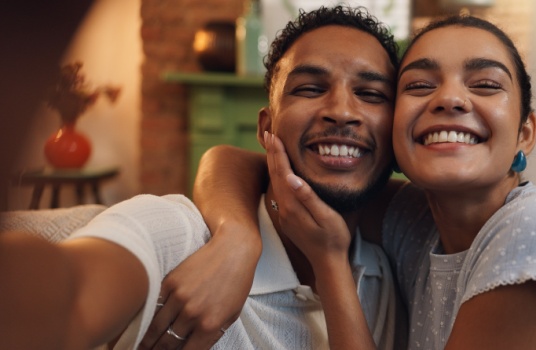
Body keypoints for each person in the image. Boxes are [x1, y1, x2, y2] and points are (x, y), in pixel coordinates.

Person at [186, 13, 536, 350]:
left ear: (525, 133)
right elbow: (243, 163)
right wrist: (236, 237)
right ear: (392, 130)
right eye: (420, 85)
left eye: (485, 84)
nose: (449, 99)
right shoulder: (416, 221)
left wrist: (331, 262)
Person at [0, 6, 403, 349]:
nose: (341, 111)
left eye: (370, 94)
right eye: (310, 88)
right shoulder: (180, 239)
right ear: (266, 127)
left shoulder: (391, 274)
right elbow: (67, 299)